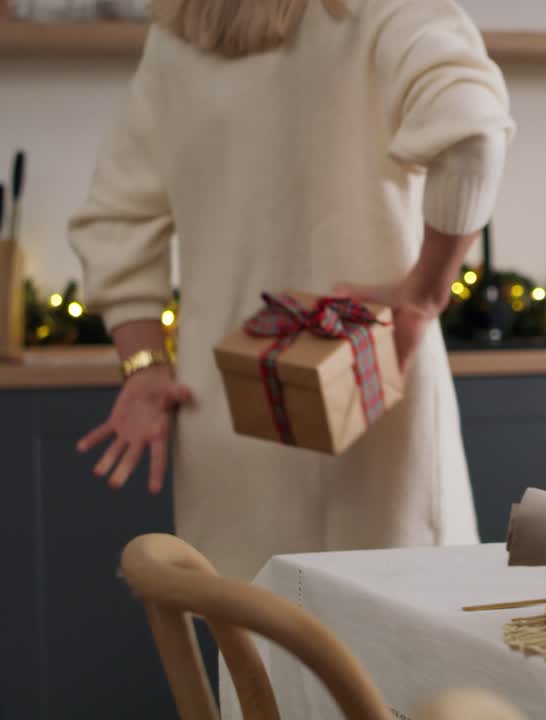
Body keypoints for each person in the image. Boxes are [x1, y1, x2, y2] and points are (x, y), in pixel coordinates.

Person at [70, 0, 514, 580]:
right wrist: (425, 294)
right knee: (394, 657)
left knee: (255, 655)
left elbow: (118, 216)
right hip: (376, 404)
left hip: (231, 415)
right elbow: (474, 134)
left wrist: (145, 365)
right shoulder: (382, 9)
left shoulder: (178, 30)